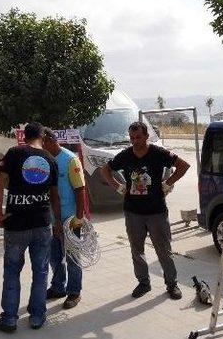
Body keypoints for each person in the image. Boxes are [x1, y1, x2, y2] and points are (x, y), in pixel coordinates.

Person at [100, 121, 190, 299]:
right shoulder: (125, 155)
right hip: (133, 212)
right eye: (132, 138)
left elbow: (183, 166)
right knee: (136, 250)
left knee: (164, 250)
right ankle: (143, 283)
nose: (135, 141)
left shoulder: (158, 153)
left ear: (147, 136)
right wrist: (117, 186)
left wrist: (168, 183)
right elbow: (105, 170)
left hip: (156, 211)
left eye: (138, 137)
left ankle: (171, 284)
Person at [0, 122, 60, 332]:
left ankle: (10, 318)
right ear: (42, 136)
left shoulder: (14, 153)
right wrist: (57, 222)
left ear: (24, 136)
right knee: (41, 271)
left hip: (16, 224)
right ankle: (37, 316)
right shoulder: (50, 159)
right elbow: (55, 196)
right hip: (42, 224)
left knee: (12, 270)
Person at [42, 128, 87, 309]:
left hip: (70, 220)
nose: (41, 146)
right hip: (50, 219)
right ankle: (58, 287)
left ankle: (74, 292)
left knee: (72, 258)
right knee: (53, 257)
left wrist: (79, 218)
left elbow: (80, 190)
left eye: (43, 142)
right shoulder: (43, 160)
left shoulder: (70, 160)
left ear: (52, 141)